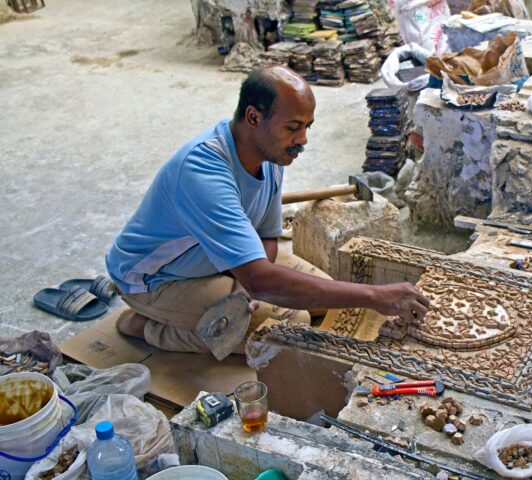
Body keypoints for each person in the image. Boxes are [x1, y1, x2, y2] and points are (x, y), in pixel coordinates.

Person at [105, 66, 429, 354]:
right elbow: (261, 279)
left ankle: (223, 297)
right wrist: (374, 296)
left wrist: (248, 284)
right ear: (254, 117)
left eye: (307, 127)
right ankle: (147, 326)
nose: (302, 139)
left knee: (320, 300)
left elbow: (267, 235)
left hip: (217, 262)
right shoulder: (203, 172)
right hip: (154, 279)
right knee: (286, 330)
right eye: (293, 127)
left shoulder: (271, 154)